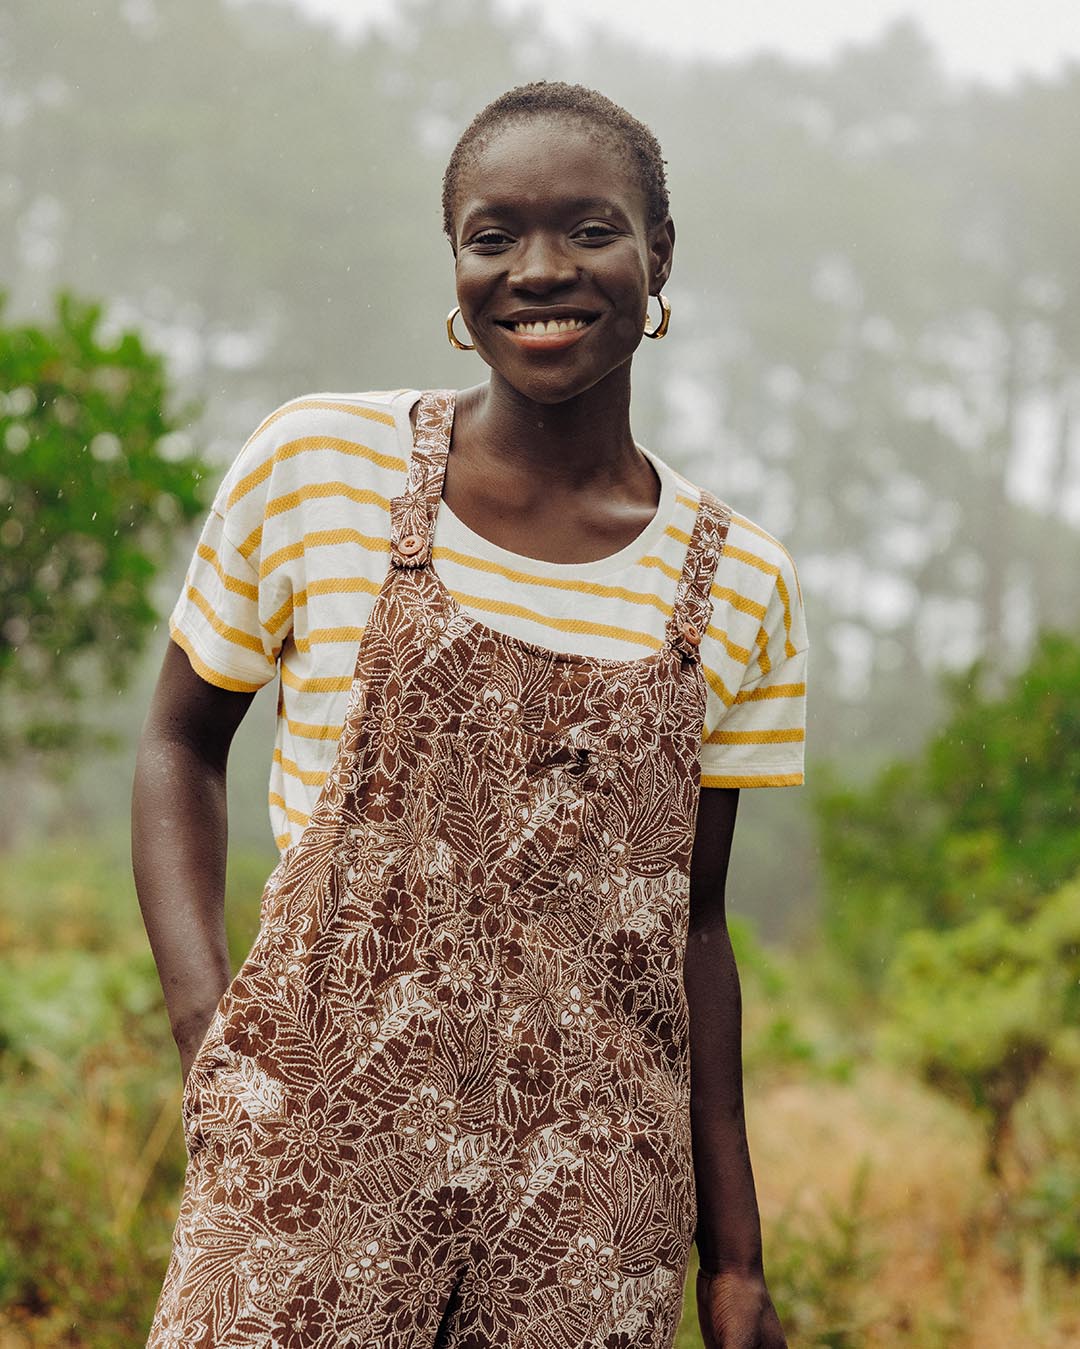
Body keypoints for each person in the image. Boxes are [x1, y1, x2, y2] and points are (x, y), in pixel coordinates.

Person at [135, 81, 806, 1349]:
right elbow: (179, 743)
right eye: (493, 237)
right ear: (453, 266)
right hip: (315, 1146)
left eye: (591, 230)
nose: (539, 270)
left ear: (659, 256)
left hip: (593, 1209)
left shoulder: (742, 583)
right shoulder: (317, 463)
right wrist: (209, 1033)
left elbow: (694, 926)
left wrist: (737, 1259)